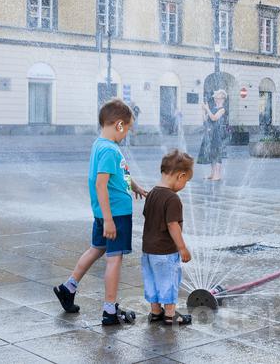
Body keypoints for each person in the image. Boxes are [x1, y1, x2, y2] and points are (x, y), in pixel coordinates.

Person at [54, 99, 147, 325]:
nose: (127, 134)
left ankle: (68, 288)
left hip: (106, 213)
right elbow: (100, 184)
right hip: (114, 215)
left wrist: (134, 186)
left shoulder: (101, 145)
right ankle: (109, 310)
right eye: (127, 129)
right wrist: (108, 220)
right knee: (114, 259)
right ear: (118, 125)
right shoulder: (110, 150)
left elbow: (119, 173)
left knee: (97, 248)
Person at [142, 150, 194, 326]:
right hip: (165, 251)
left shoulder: (151, 194)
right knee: (169, 281)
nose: (184, 185)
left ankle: (156, 312)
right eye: (186, 181)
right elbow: (173, 225)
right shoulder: (172, 198)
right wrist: (182, 247)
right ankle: (170, 314)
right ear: (181, 176)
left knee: (152, 280)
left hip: (148, 251)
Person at [197, 89, 227, 181]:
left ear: (222, 99)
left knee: (217, 153)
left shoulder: (222, 109)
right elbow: (205, 120)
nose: (215, 99)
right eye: (215, 98)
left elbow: (214, 118)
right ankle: (213, 173)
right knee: (211, 153)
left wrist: (207, 109)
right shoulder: (213, 108)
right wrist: (203, 110)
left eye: (217, 98)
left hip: (217, 133)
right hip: (209, 133)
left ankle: (217, 175)